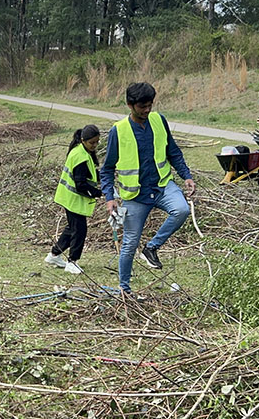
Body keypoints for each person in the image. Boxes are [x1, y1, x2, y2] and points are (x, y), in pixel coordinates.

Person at [100, 82, 195, 294]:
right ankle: (124, 289)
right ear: (129, 105)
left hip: (162, 185)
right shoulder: (119, 130)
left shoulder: (159, 120)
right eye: (142, 107)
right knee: (129, 244)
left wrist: (186, 176)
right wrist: (109, 197)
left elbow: (174, 152)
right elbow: (106, 169)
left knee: (181, 210)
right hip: (136, 195)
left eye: (149, 105)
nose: (146, 110)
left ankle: (152, 247)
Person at [45, 125, 102, 275]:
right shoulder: (80, 156)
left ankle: (54, 255)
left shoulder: (81, 151)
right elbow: (81, 184)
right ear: (83, 140)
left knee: (72, 228)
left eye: (97, 142)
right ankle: (72, 262)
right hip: (74, 200)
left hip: (69, 198)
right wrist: (98, 193)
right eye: (92, 143)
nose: (94, 145)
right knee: (79, 231)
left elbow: (89, 174)